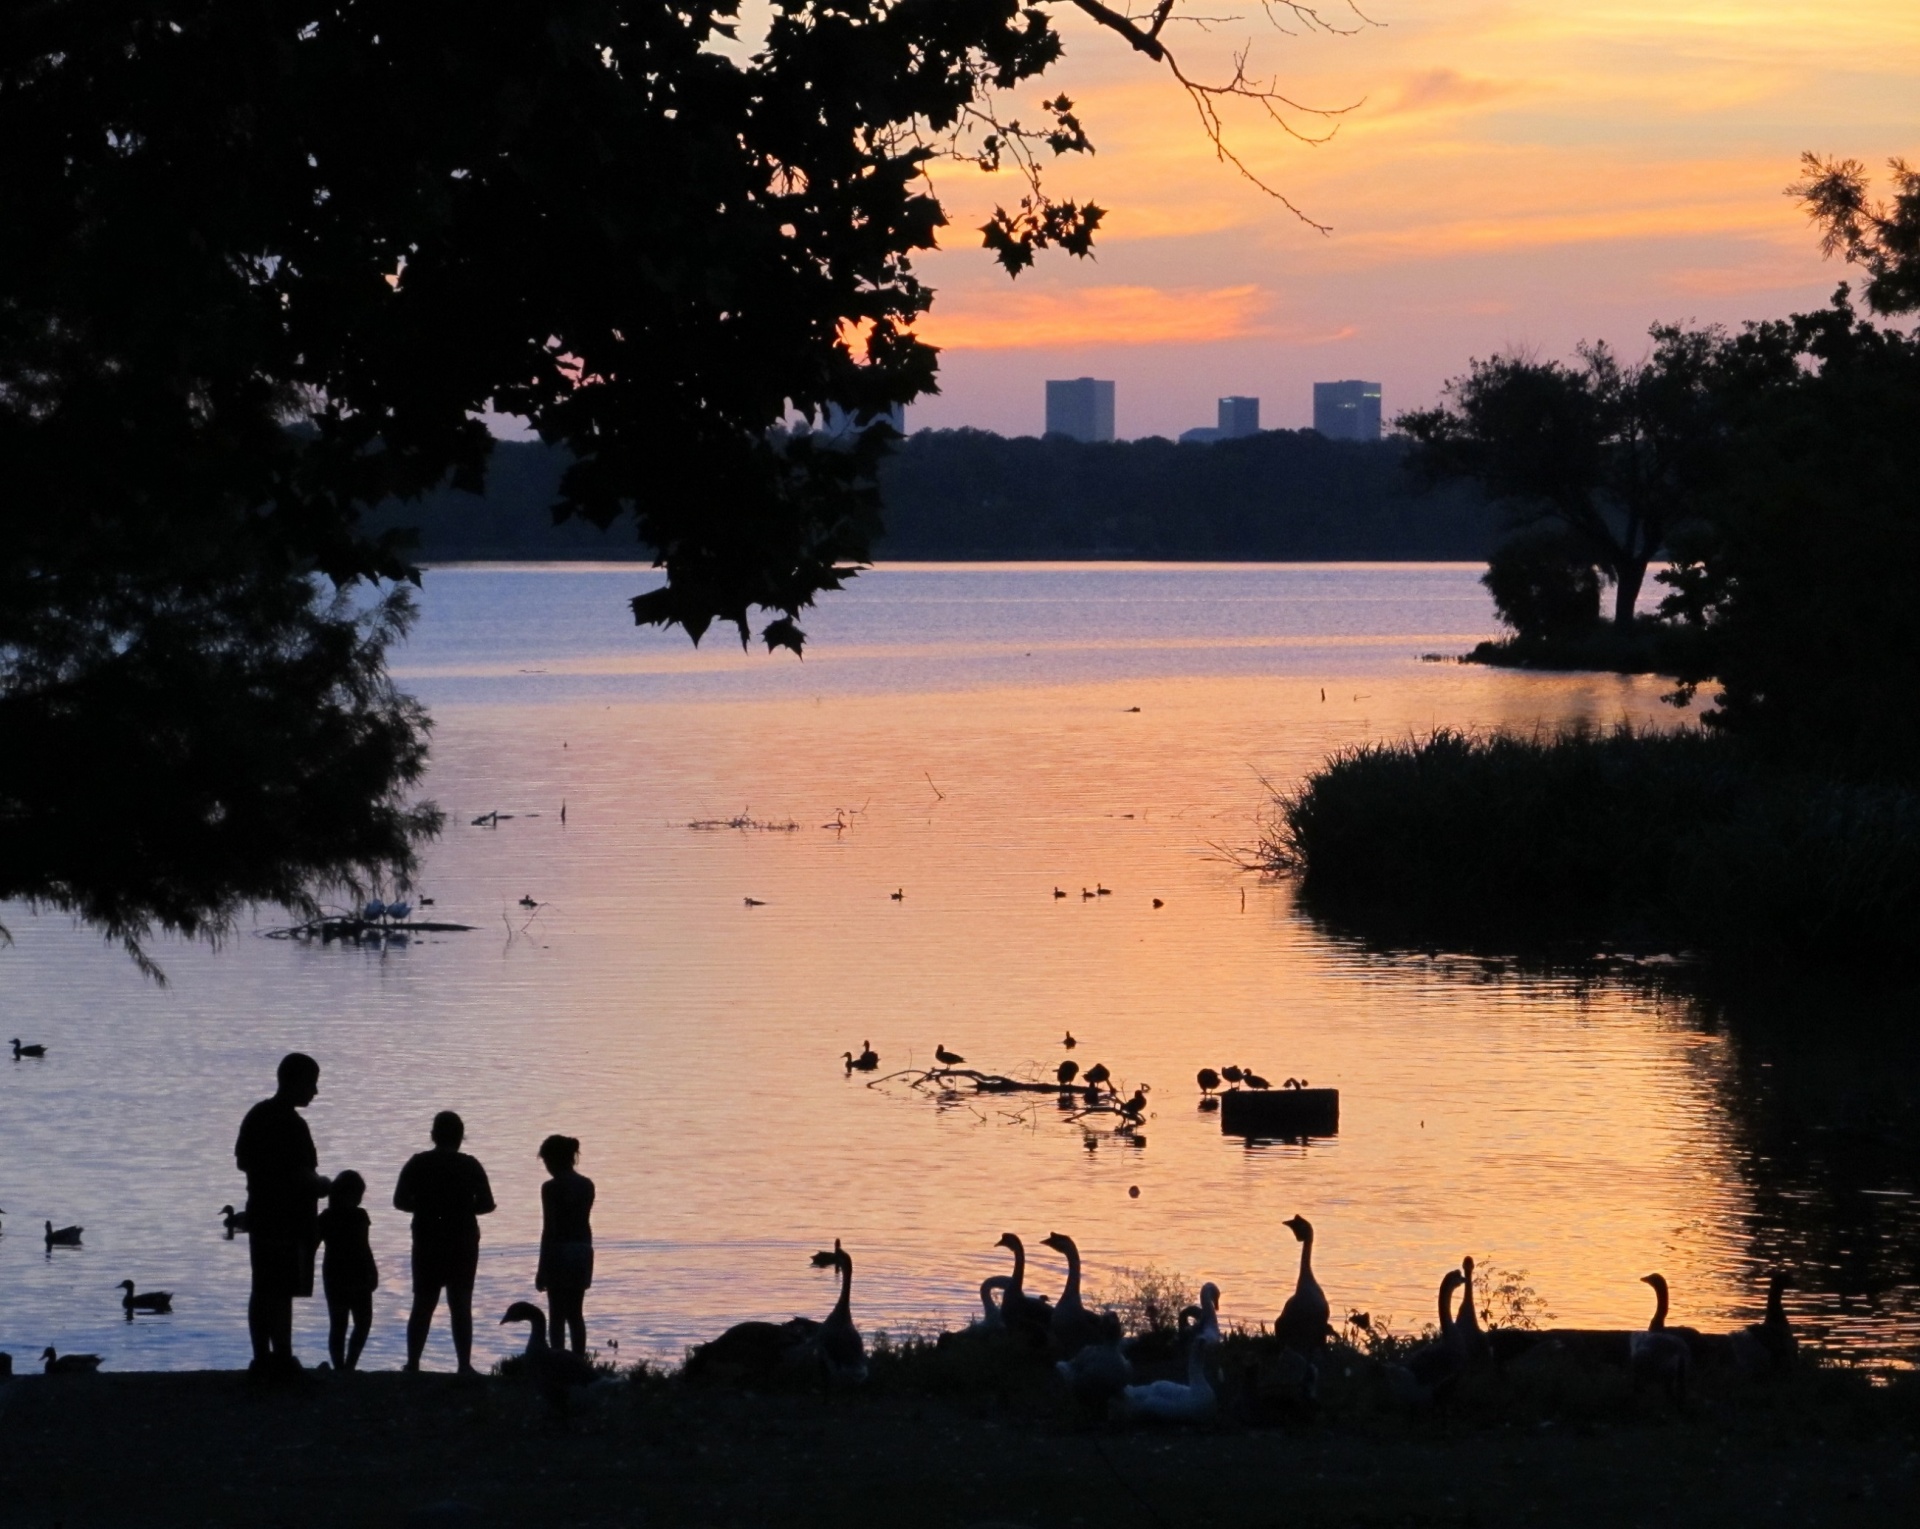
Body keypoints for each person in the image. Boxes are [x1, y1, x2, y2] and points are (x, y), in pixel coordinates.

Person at [234, 1052, 332, 1375]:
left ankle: (262, 1357)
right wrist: (323, 1185)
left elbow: (243, 1161)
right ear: (296, 1082)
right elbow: (301, 1175)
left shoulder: (257, 1115)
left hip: (261, 1215)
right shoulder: (292, 1125)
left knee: (262, 1287)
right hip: (286, 1219)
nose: (315, 1092)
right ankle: (283, 1358)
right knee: (281, 1291)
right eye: (312, 1084)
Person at [393, 1111, 495, 1374]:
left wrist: (427, 1207)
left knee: (423, 1303)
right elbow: (486, 1204)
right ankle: (463, 1365)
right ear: (461, 1137)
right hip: (462, 1240)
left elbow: (400, 1201)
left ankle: (413, 1363)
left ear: (433, 1135)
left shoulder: (418, 1163)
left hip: (427, 1239)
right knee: (461, 1303)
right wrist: (461, 1207)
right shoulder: (470, 1165)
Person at [534, 1135, 596, 1354]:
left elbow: (549, 1228)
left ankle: (559, 1360)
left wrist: (541, 1269)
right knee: (575, 1314)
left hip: (559, 1252)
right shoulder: (587, 1185)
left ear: (552, 1160)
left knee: (557, 1315)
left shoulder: (550, 1188)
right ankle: (579, 1360)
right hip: (582, 1250)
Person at [315, 1169, 377, 1371]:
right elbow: (364, 1247)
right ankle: (344, 1366)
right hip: (349, 1272)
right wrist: (371, 1269)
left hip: (338, 1272)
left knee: (353, 1322)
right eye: (358, 1195)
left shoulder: (330, 1217)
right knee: (347, 1322)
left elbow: (365, 1246)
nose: (359, 1200)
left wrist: (372, 1270)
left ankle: (346, 1365)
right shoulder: (354, 1216)